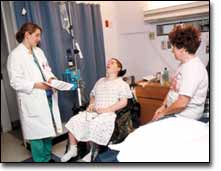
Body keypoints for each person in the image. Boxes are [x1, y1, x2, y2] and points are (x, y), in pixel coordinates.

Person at [7, 22, 62, 162]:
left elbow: (46, 69)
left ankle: (48, 158)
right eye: (37, 35)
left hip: (47, 96)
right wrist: (37, 85)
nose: (39, 39)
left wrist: (52, 79)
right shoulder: (15, 55)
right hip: (32, 98)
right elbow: (15, 82)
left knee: (48, 130)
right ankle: (40, 162)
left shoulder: (39, 51)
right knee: (37, 135)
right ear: (27, 35)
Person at [61, 58, 132, 162]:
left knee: (94, 124)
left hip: (108, 113)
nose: (108, 63)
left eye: (112, 63)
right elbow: (92, 95)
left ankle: (92, 153)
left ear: (118, 68)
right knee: (74, 121)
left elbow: (123, 102)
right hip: (94, 111)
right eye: (108, 62)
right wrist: (91, 103)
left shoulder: (122, 84)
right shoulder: (100, 81)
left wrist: (107, 110)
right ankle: (73, 149)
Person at [152, 25, 208, 121]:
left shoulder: (193, 69)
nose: (172, 50)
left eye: (173, 47)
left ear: (183, 49)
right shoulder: (183, 65)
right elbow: (172, 90)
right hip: (173, 112)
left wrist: (163, 113)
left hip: (183, 116)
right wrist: (163, 106)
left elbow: (182, 104)